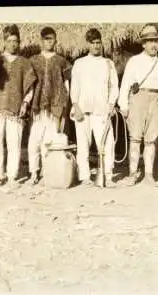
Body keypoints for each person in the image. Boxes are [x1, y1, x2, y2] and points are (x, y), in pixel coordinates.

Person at [118, 24, 158, 187]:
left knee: (151, 140)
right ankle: (132, 174)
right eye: (149, 41)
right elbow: (126, 83)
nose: (153, 45)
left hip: (156, 100)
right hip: (138, 99)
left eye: (155, 41)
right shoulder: (134, 61)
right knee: (135, 138)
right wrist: (123, 105)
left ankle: (149, 175)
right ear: (143, 44)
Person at [0, 24, 37, 188]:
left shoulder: (24, 63)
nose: (13, 44)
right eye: (9, 41)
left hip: (16, 109)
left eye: (15, 41)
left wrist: (25, 103)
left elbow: (30, 87)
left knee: (14, 143)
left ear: (19, 42)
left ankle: (11, 177)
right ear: (4, 42)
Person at [69, 28, 119, 187]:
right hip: (82, 111)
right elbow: (74, 87)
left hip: (102, 111)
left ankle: (108, 176)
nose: (96, 46)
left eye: (98, 42)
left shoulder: (108, 64)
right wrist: (75, 105)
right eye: (93, 43)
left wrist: (111, 104)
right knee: (83, 144)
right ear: (88, 44)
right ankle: (84, 177)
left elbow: (114, 87)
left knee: (106, 144)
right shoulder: (80, 63)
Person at [28, 26, 72, 185]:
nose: (49, 42)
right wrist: (29, 102)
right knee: (34, 141)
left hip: (55, 106)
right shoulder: (33, 61)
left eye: (51, 39)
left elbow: (67, 84)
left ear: (55, 40)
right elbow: (30, 85)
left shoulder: (61, 61)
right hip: (38, 107)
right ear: (41, 41)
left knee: (50, 142)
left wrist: (65, 104)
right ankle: (34, 173)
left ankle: (48, 173)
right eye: (46, 39)